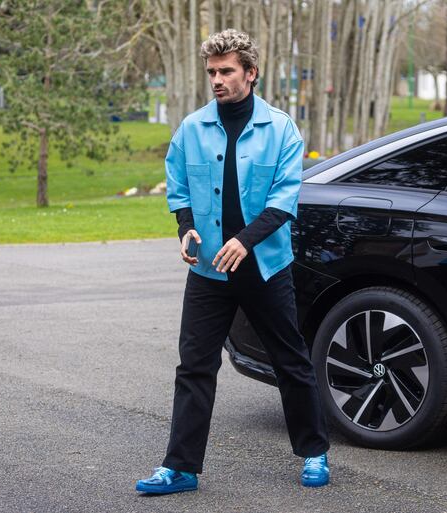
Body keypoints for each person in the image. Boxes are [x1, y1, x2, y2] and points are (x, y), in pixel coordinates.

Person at [135, 29, 330, 495]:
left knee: (291, 362)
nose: (217, 80)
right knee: (194, 367)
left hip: (264, 268)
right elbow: (179, 187)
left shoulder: (281, 128)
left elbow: (284, 200)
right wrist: (186, 229)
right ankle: (180, 468)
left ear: (251, 73)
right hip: (207, 270)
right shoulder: (191, 129)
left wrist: (244, 241)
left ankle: (314, 452)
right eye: (212, 73)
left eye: (226, 71)